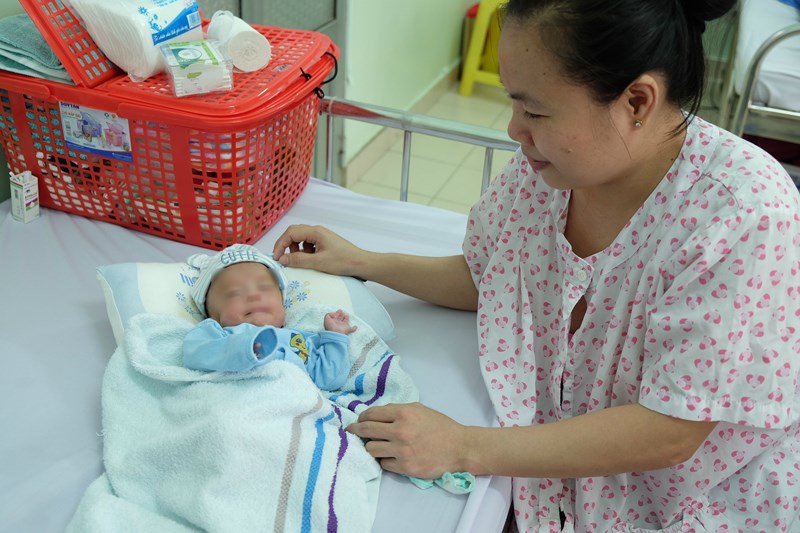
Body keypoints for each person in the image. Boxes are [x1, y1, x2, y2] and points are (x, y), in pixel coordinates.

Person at [272, 0, 800, 530]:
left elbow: (672, 430)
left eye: (536, 112)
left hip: (690, 501)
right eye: (513, 103)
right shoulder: (552, 173)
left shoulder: (743, 215)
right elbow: (494, 277)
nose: (514, 129)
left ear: (637, 101)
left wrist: (463, 446)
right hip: (563, 475)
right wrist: (363, 261)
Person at [183, 243, 356, 391]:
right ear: (212, 316)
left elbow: (329, 380)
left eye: (265, 288)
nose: (254, 296)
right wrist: (243, 347)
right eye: (234, 293)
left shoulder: (298, 340)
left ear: (283, 306)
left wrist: (335, 338)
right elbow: (194, 355)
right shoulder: (216, 336)